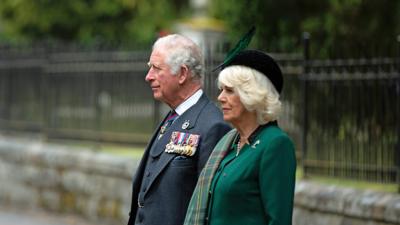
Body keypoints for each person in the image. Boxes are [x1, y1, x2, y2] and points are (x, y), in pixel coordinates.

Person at [127, 34, 231, 225]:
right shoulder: (173, 117)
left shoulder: (213, 126)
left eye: (156, 68)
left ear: (182, 73)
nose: (148, 76)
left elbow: (210, 208)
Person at [184, 49, 297, 225]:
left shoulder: (275, 144)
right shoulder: (230, 142)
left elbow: (279, 220)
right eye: (222, 90)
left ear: (253, 95)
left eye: (229, 91)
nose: (220, 97)